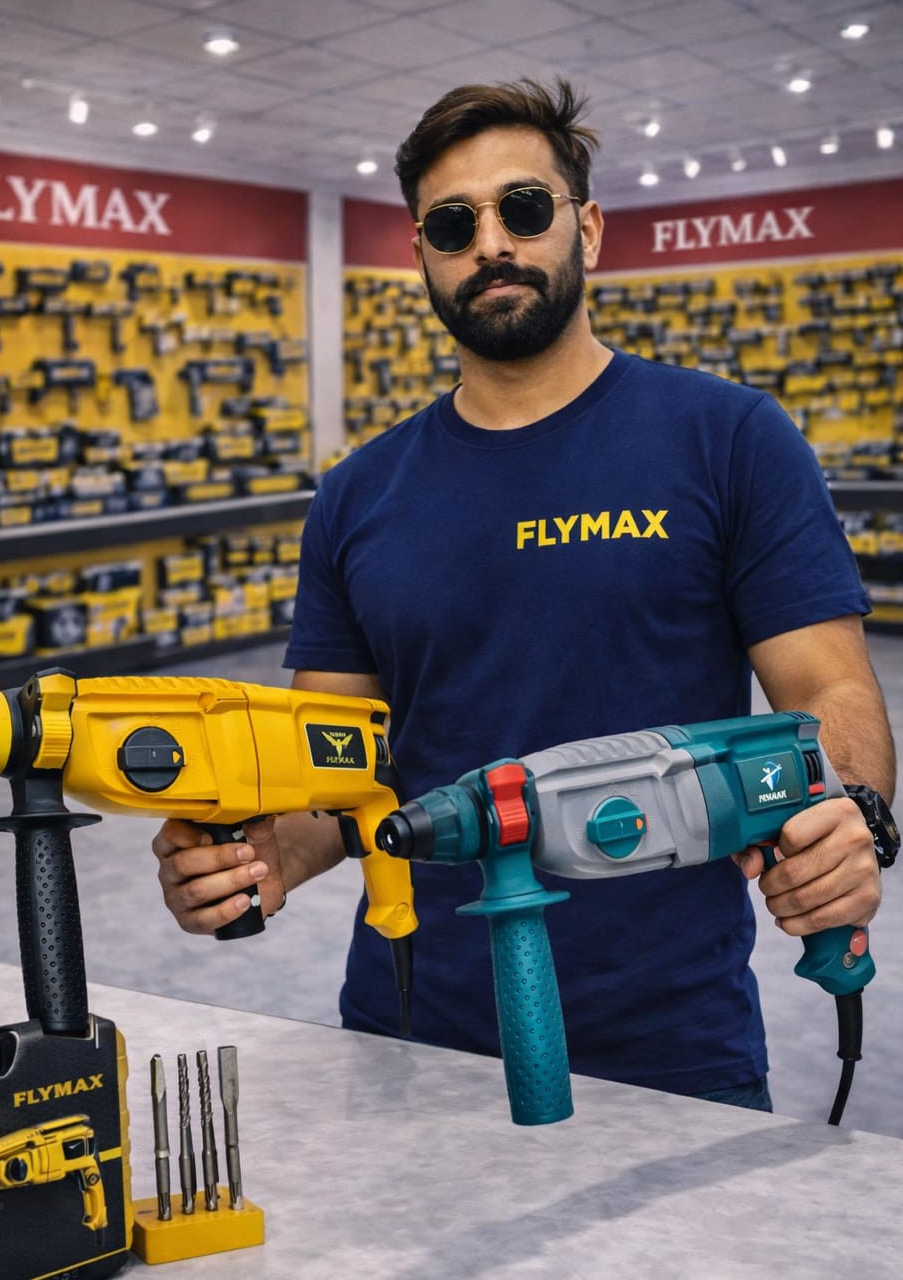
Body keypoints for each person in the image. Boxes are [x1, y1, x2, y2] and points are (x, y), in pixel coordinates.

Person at [153, 78, 894, 1110]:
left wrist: (850, 811)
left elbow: (829, 688)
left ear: (586, 226)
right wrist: (260, 853)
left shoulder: (728, 438)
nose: (491, 243)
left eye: (525, 207)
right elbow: (336, 770)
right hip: (413, 1027)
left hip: (670, 1040)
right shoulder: (358, 493)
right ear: (421, 253)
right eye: (453, 224)